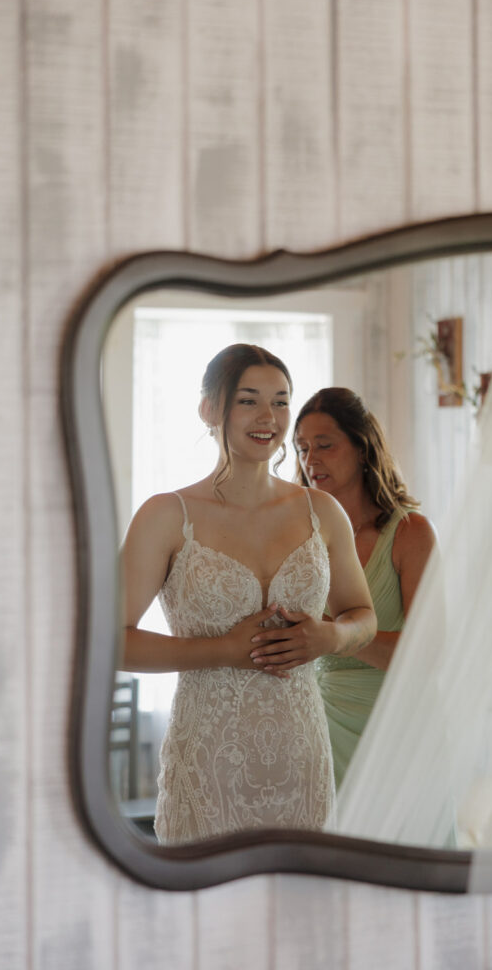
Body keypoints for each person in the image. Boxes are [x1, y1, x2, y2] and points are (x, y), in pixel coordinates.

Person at [121, 345, 375, 844]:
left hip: (301, 756)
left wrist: (330, 637)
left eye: (281, 402)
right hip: (209, 762)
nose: (268, 418)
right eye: (248, 401)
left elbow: (362, 615)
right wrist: (222, 650)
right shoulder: (167, 515)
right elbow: (106, 642)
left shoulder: (321, 512)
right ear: (209, 409)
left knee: (300, 911)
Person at [293, 387, 436, 789]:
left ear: (362, 448)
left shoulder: (410, 533)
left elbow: (428, 654)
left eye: (325, 445)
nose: (311, 459)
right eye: (302, 448)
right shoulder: (300, 536)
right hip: (318, 723)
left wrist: (336, 638)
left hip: (396, 727)